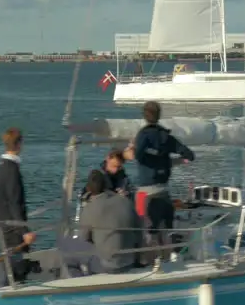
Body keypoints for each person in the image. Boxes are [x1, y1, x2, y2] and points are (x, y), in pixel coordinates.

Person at [133, 101, 194, 258]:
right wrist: (169, 161)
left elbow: (138, 155)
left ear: (144, 115)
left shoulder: (143, 136)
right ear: (159, 115)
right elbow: (189, 155)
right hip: (164, 192)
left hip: (144, 193)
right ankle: (168, 259)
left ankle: (146, 261)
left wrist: (150, 158)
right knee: (166, 230)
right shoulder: (167, 137)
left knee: (142, 229)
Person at [0, 127, 37, 280]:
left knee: (10, 269)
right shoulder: (12, 170)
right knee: (17, 270)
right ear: (19, 144)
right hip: (13, 230)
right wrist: (24, 231)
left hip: (2, 224)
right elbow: (14, 202)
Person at [77, 169, 143, 273]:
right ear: (107, 185)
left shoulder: (89, 208)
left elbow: (82, 240)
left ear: (88, 188)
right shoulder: (125, 201)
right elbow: (140, 231)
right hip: (129, 262)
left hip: (105, 267)